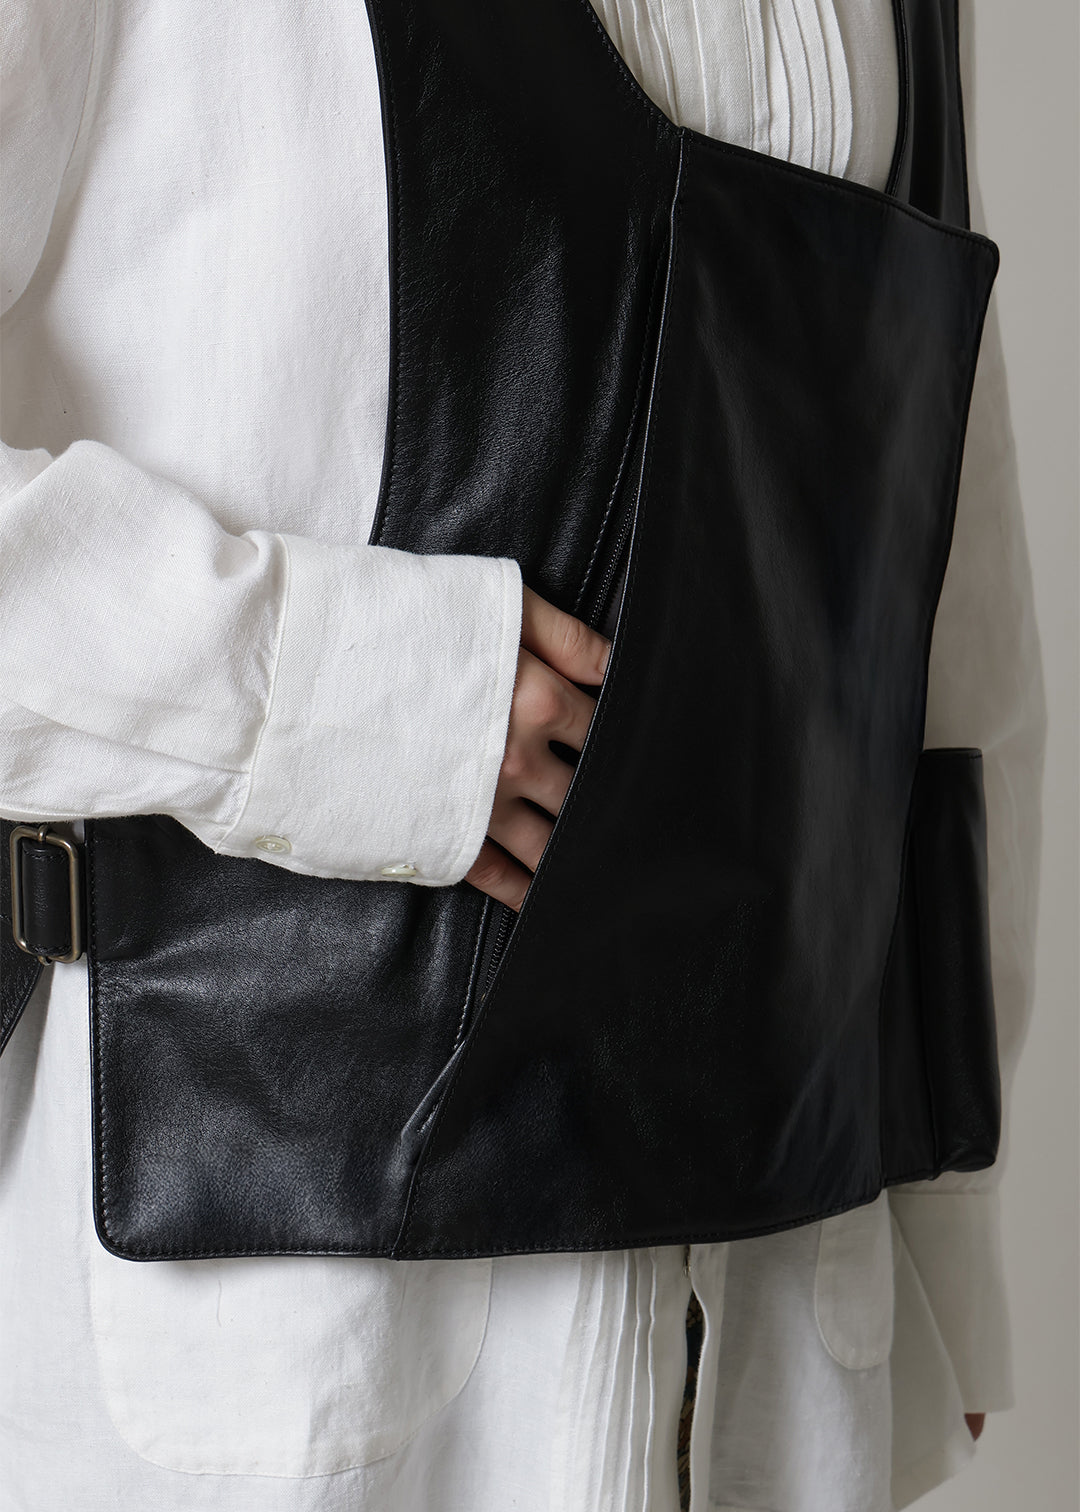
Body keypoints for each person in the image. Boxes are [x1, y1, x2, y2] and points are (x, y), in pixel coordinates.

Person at [0, 1, 1045, 1508]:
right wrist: (321, 693)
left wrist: (954, 1222)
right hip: (300, 1339)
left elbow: (945, 573)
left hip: (784, 1325)